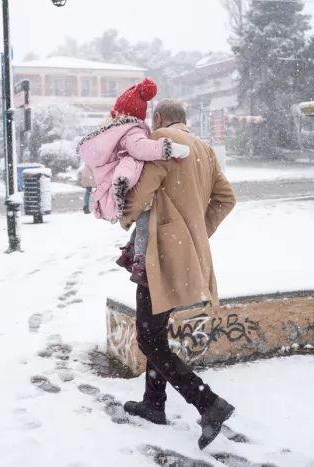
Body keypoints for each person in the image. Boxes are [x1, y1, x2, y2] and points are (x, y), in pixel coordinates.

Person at [119, 99, 237, 450]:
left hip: (158, 258)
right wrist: (195, 232)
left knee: (147, 338)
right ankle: (154, 404)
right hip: (184, 258)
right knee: (156, 334)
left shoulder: (163, 144)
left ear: (158, 119)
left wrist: (120, 213)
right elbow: (226, 198)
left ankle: (208, 403)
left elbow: (140, 196)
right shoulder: (204, 148)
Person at [77, 78, 190, 285]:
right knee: (146, 219)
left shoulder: (115, 130)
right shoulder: (133, 131)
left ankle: (130, 252)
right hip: (128, 184)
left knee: (144, 220)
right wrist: (168, 148)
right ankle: (140, 261)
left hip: (122, 183)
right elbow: (141, 149)